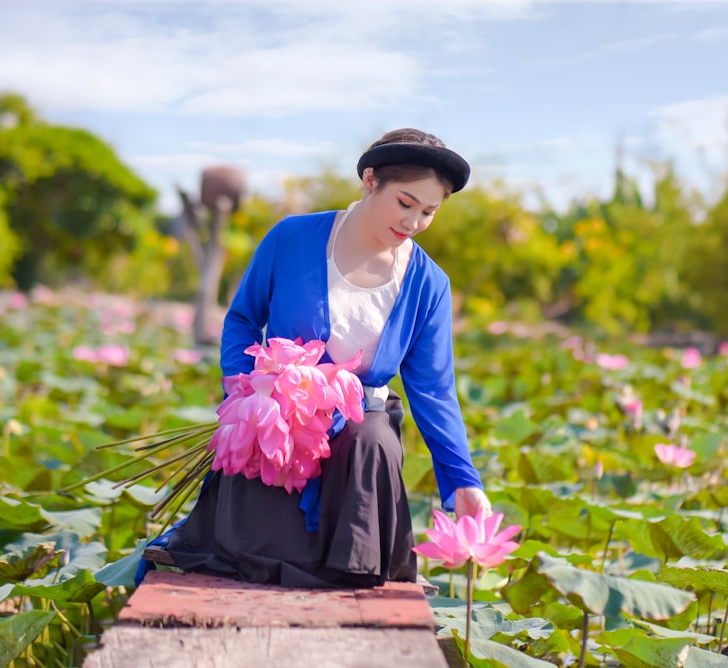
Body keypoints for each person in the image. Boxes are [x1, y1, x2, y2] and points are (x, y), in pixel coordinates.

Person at [164, 128, 491, 588]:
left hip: (361, 423)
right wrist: (247, 399)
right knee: (256, 554)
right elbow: (242, 319)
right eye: (405, 203)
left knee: (371, 440)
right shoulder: (292, 238)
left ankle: (351, 570)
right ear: (370, 180)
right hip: (278, 418)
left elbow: (434, 391)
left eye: (428, 211)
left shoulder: (427, 283)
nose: (413, 222)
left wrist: (463, 481)